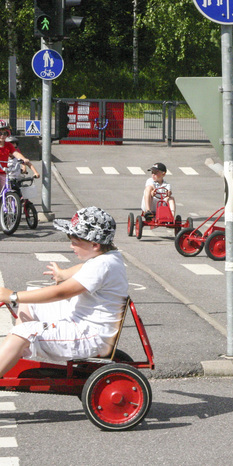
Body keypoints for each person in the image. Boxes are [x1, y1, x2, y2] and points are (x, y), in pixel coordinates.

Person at [0, 207, 127, 376]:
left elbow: (60, 293)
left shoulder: (101, 265)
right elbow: (83, 268)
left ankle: (15, 348)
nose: (71, 245)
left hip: (90, 336)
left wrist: (13, 296)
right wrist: (63, 274)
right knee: (29, 302)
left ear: (94, 244)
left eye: (75, 241)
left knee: (24, 331)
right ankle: (14, 353)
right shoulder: (108, 257)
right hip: (87, 324)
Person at [0, 120, 40, 191]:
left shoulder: (8, 145)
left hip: (4, 173)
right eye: (0, 133)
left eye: (5, 133)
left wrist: (24, 159)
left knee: (7, 190)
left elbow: (16, 153)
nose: (2, 135)